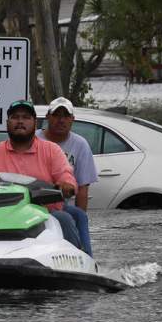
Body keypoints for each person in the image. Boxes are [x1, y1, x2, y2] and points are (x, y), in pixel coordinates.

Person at [0, 99, 82, 249]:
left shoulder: (52, 150)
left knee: (64, 219)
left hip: (43, 216)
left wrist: (66, 185)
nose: (20, 121)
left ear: (35, 123)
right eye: (15, 117)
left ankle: (76, 261)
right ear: (7, 123)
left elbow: (67, 177)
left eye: (26, 117)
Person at [36, 96, 98, 256]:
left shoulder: (80, 144)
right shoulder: (34, 140)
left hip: (60, 204)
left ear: (72, 120)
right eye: (56, 115)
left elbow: (83, 188)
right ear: (48, 117)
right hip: (33, 201)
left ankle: (85, 256)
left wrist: (79, 219)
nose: (61, 120)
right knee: (65, 217)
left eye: (66, 116)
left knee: (79, 216)